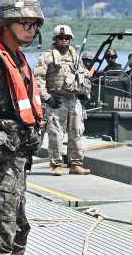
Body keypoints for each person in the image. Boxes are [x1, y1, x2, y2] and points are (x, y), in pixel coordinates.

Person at [0, 0, 50, 255]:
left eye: (34, 25)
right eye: (24, 23)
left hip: (15, 160)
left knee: (18, 227)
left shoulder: (16, 58)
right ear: (6, 23)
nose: (30, 30)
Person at [34, 25, 92, 176]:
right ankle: (57, 165)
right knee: (55, 135)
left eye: (67, 38)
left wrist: (85, 93)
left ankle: (76, 164)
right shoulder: (47, 57)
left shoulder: (75, 57)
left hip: (73, 99)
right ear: (56, 39)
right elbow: (37, 79)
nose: (64, 40)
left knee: (76, 133)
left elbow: (85, 76)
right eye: (61, 38)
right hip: (56, 100)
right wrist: (47, 97)